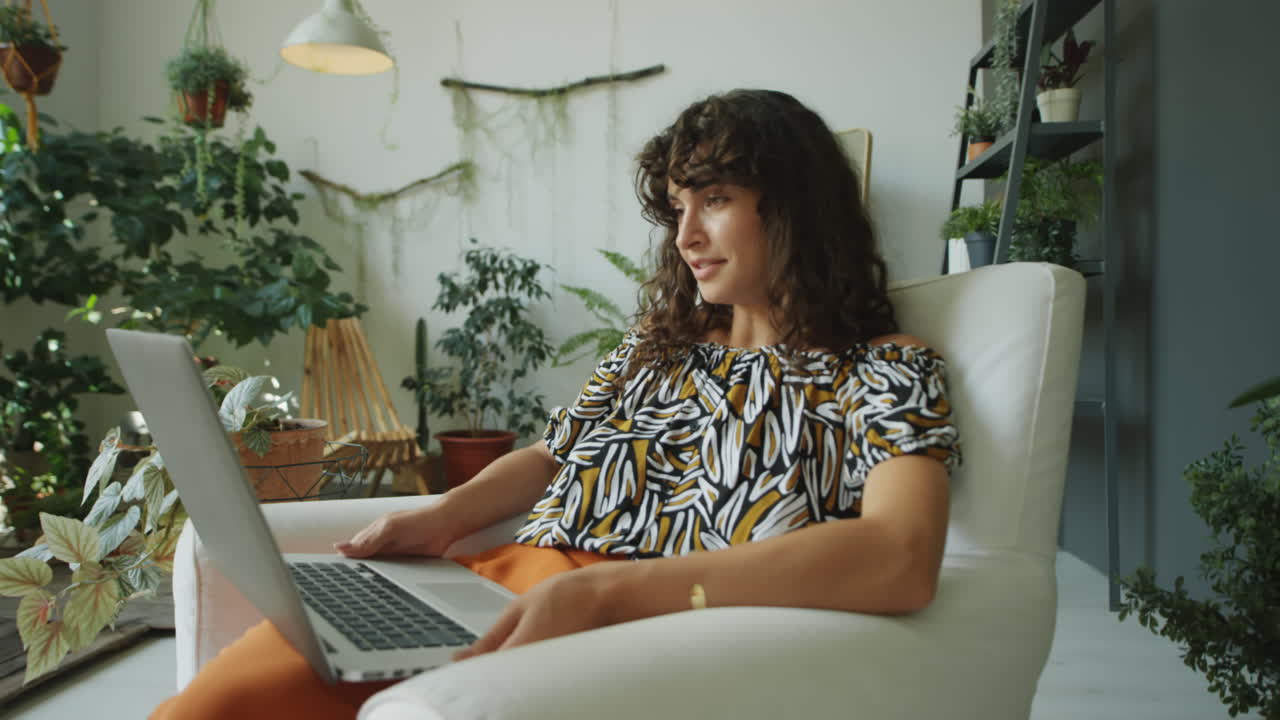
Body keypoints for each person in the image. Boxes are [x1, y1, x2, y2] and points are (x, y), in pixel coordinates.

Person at [151, 88, 960, 720]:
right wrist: (445, 513)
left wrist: (602, 593)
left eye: (712, 199)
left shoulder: (883, 371)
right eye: (677, 209)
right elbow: (552, 455)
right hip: (505, 584)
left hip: (638, 627)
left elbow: (900, 556)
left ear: (795, 206)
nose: (684, 237)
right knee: (228, 699)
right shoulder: (657, 349)